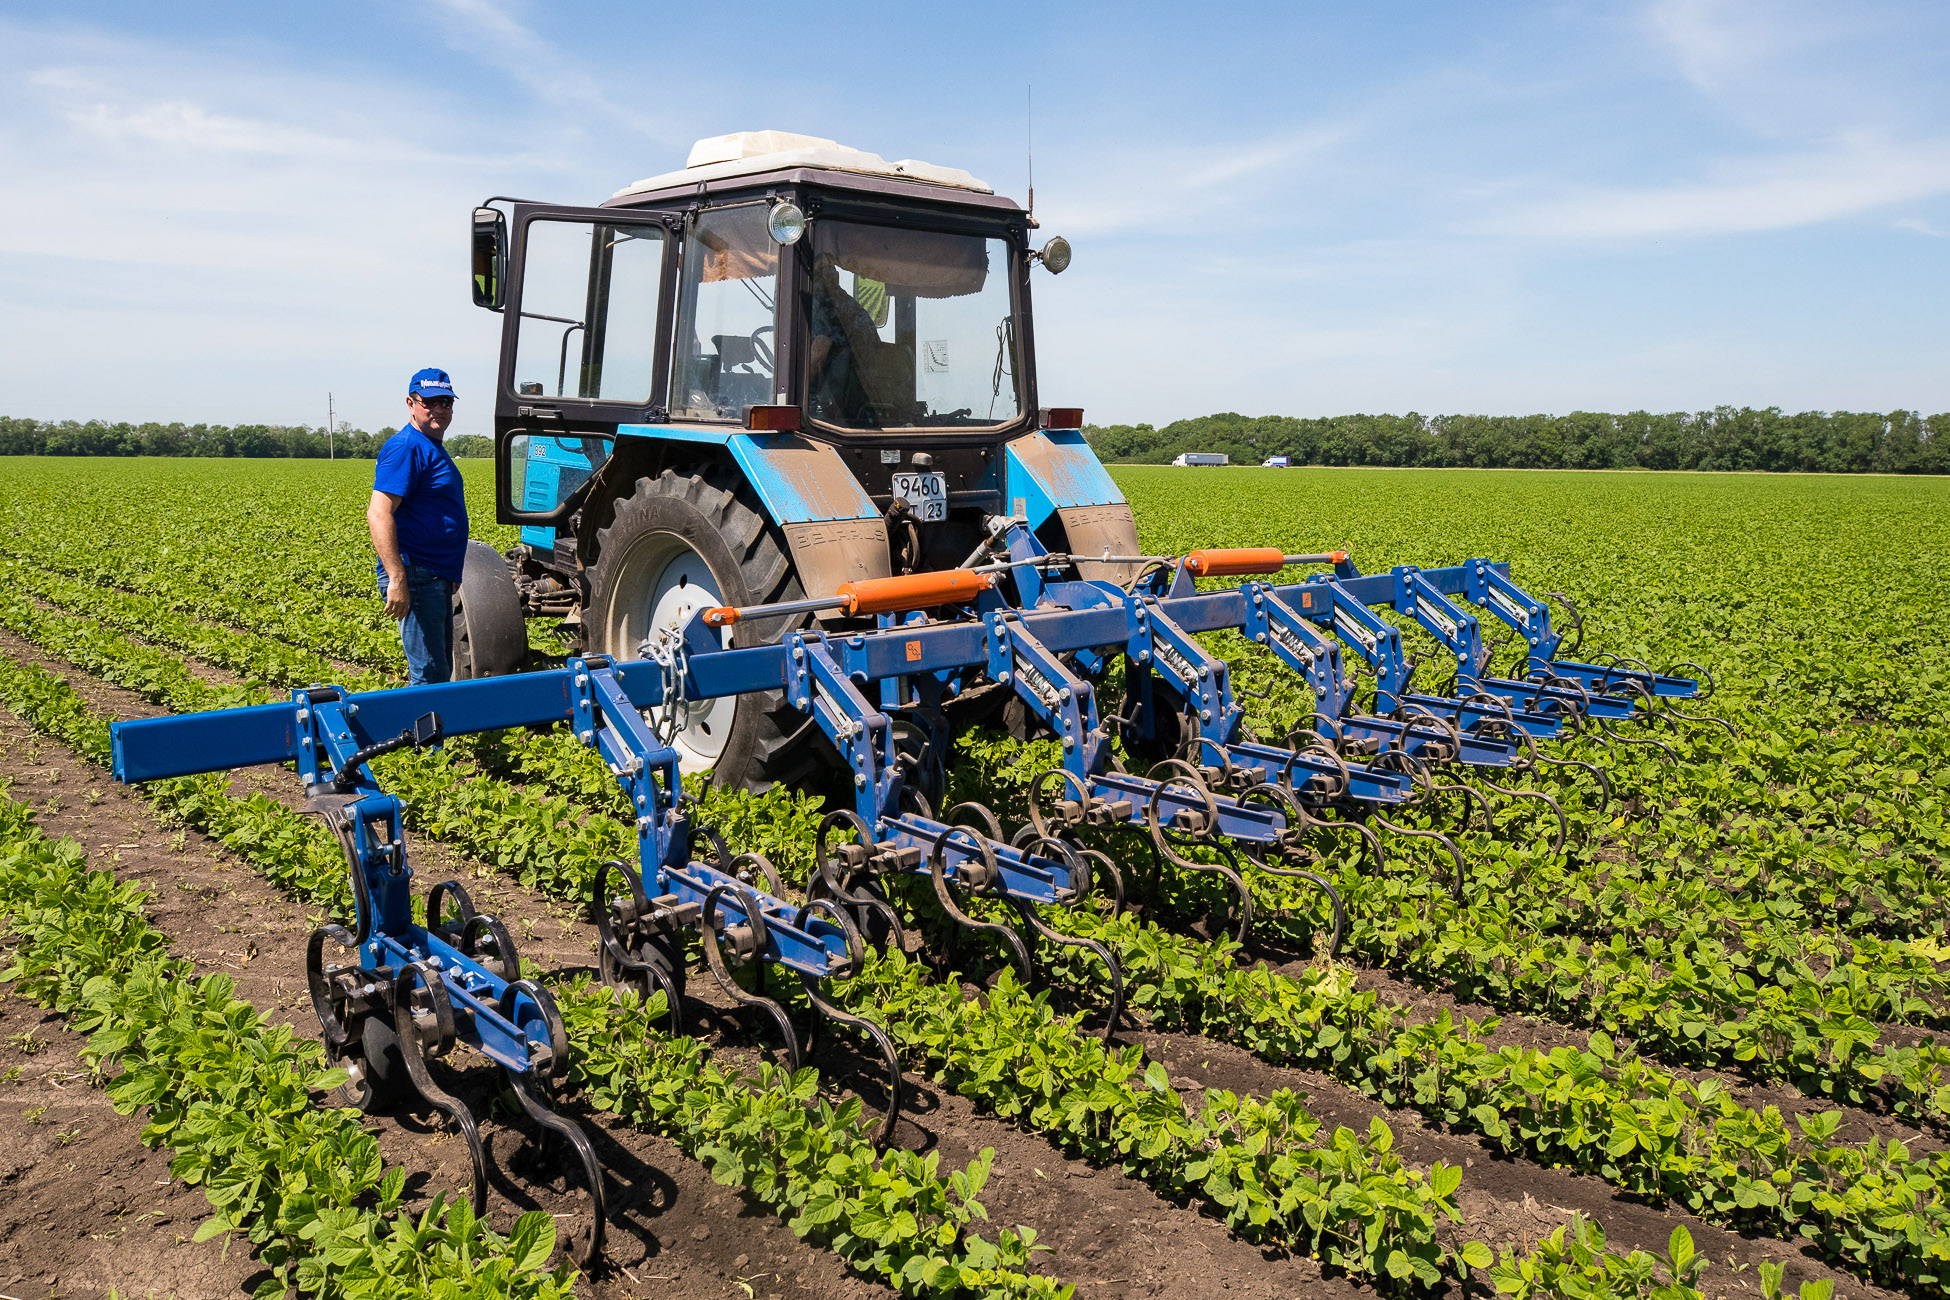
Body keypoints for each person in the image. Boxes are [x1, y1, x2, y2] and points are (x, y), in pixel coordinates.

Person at [369, 368, 469, 684]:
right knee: (428, 676)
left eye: (446, 402)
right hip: (416, 574)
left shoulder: (430, 446)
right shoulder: (407, 446)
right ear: (411, 403)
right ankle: (415, 732)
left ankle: (425, 732)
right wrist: (398, 578)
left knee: (438, 672)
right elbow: (378, 513)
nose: (439, 408)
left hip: (432, 575)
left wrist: (449, 574)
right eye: (430, 402)